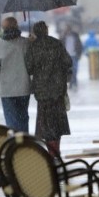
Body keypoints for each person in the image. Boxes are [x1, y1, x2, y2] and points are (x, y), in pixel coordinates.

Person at [26, 21, 72, 159]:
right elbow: (68, 62)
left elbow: (28, 68)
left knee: (45, 123)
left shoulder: (33, 47)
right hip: (58, 90)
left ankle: (51, 152)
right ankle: (56, 150)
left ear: (35, 32)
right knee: (57, 122)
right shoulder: (56, 43)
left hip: (42, 92)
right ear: (46, 30)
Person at [0, 16, 31, 133]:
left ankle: (14, 143)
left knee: (11, 119)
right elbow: (32, 63)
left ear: (3, 28)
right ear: (17, 27)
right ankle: (24, 140)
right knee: (23, 116)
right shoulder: (26, 43)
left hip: (6, 88)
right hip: (23, 86)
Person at [60, 25, 82, 91]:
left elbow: (80, 45)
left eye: (69, 30)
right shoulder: (63, 37)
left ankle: (74, 82)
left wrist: (79, 54)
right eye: (67, 30)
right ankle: (71, 83)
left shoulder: (75, 36)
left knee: (74, 70)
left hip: (74, 55)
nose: (68, 31)